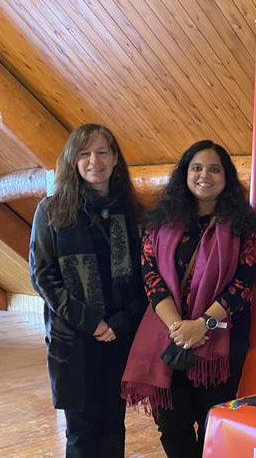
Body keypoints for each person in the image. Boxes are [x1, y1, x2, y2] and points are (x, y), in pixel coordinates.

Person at [121, 140, 256, 457]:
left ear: (226, 177)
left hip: (221, 342)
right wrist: (179, 328)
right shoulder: (159, 222)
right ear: (185, 173)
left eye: (214, 169)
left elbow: (244, 282)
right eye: (197, 168)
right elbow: (150, 276)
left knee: (213, 424)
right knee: (172, 426)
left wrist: (202, 324)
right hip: (168, 337)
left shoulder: (245, 227)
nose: (204, 176)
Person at [29, 124, 145, 458]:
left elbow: (145, 277)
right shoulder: (51, 210)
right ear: (73, 160)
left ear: (115, 158)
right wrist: (92, 322)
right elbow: (43, 276)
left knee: (114, 425)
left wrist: (118, 324)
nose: (94, 160)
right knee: (81, 433)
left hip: (119, 337)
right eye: (84, 153)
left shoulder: (132, 211)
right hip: (73, 339)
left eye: (102, 152)